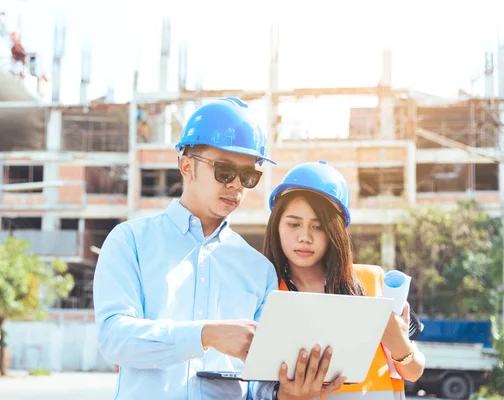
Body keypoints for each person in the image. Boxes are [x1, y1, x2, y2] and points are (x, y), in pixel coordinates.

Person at [93, 98, 341, 400]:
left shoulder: (258, 269)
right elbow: (114, 338)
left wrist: (286, 393)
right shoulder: (130, 241)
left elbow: (258, 384)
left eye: (248, 176)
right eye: (224, 171)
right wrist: (206, 335)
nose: (236, 185)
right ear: (187, 166)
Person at [262, 160, 426, 400]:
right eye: (293, 224)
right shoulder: (265, 293)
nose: (304, 237)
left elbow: (414, 372)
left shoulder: (374, 283)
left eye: (318, 227)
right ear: (277, 225)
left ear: (334, 233)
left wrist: (400, 346)